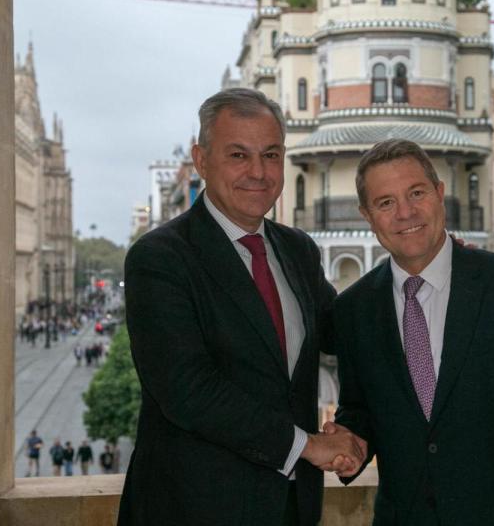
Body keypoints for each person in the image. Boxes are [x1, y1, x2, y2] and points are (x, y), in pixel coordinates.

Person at [117, 88, 364, 526]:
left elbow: (347, 331)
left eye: (271, 155)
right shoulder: (160, 258)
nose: (258, 172)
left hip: (291, 508)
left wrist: (412, 267)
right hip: (193, 508)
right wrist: (307, 446)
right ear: (201, 159)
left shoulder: (297, 249)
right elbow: (188, 391)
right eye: (238, 155)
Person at [333, 140, 494, 525]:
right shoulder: (353, 309)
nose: (405, 213)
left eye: (416, 193)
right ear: (367, 216)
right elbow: (361, 409)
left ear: (440, 194)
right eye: (385, 203)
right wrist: (350, 443)